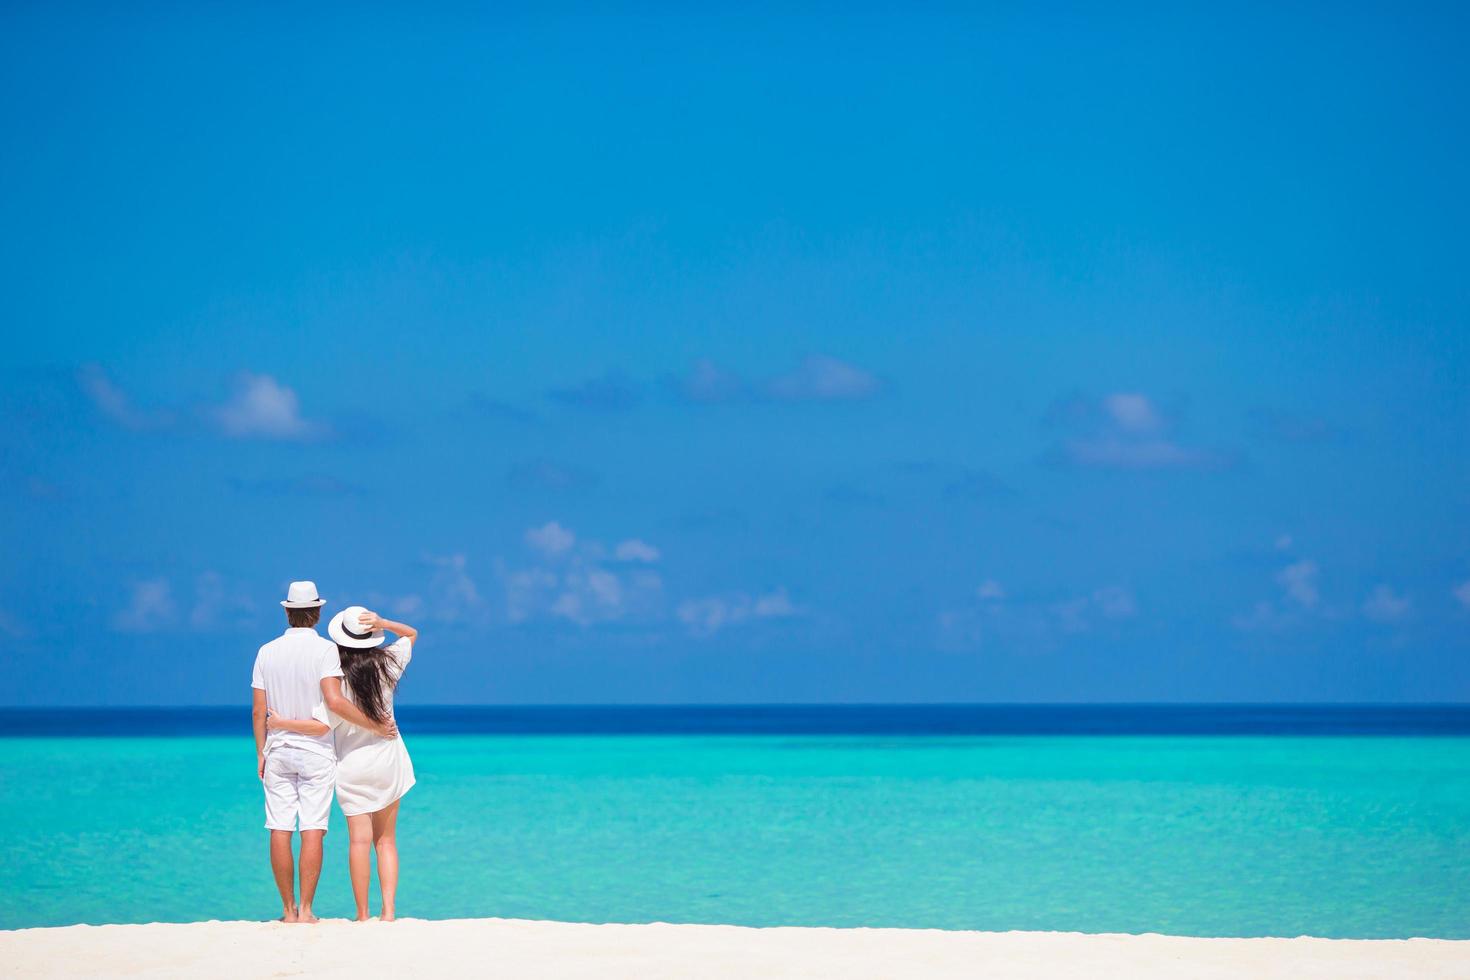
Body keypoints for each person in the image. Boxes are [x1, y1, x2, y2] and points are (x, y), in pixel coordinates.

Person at [250, 582, 394, 924]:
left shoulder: (265, 651)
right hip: (315, 750)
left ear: (287, 612)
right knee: (312, 827)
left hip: (278, 747)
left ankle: (288, 911)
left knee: (279, 827)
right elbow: (334, 701)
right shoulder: (326, 650)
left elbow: (259, 712)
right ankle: (308, 911)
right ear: (316, 614)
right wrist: (374, 724)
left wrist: (260, 752)